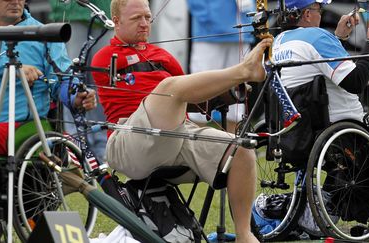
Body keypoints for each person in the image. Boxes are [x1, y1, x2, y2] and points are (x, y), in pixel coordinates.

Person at [91, 0, 272, 242]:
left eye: (147, 17)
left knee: (241, 150)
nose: (145, 23)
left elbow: (192, 94)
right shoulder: (105, 56)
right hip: (129, 141)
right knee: (168, 88)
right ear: (116, 21)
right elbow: (175, 90)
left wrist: (227, 91)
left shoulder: (162, 55)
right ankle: (243, 69)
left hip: (176, 136)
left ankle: (244, 234)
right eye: (136, 19)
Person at [0, 0, 96, 213]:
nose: (15, 0)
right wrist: (12, 68)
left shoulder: (44, 34)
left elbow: (62, 79)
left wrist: (77, 95)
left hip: (21, 129)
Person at [49, 0, 112, 163]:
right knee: (71, 79)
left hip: (105, 14)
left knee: (102, 81)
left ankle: (102, 145)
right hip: (72, 13)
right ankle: (74, 145)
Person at [186, 0, 255, 132]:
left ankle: (233, 148)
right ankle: (196, 147)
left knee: (238, 91)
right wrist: (207, 18)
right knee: (199, 87)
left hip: (242, 30)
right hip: (208, 34)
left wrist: (251, 19)